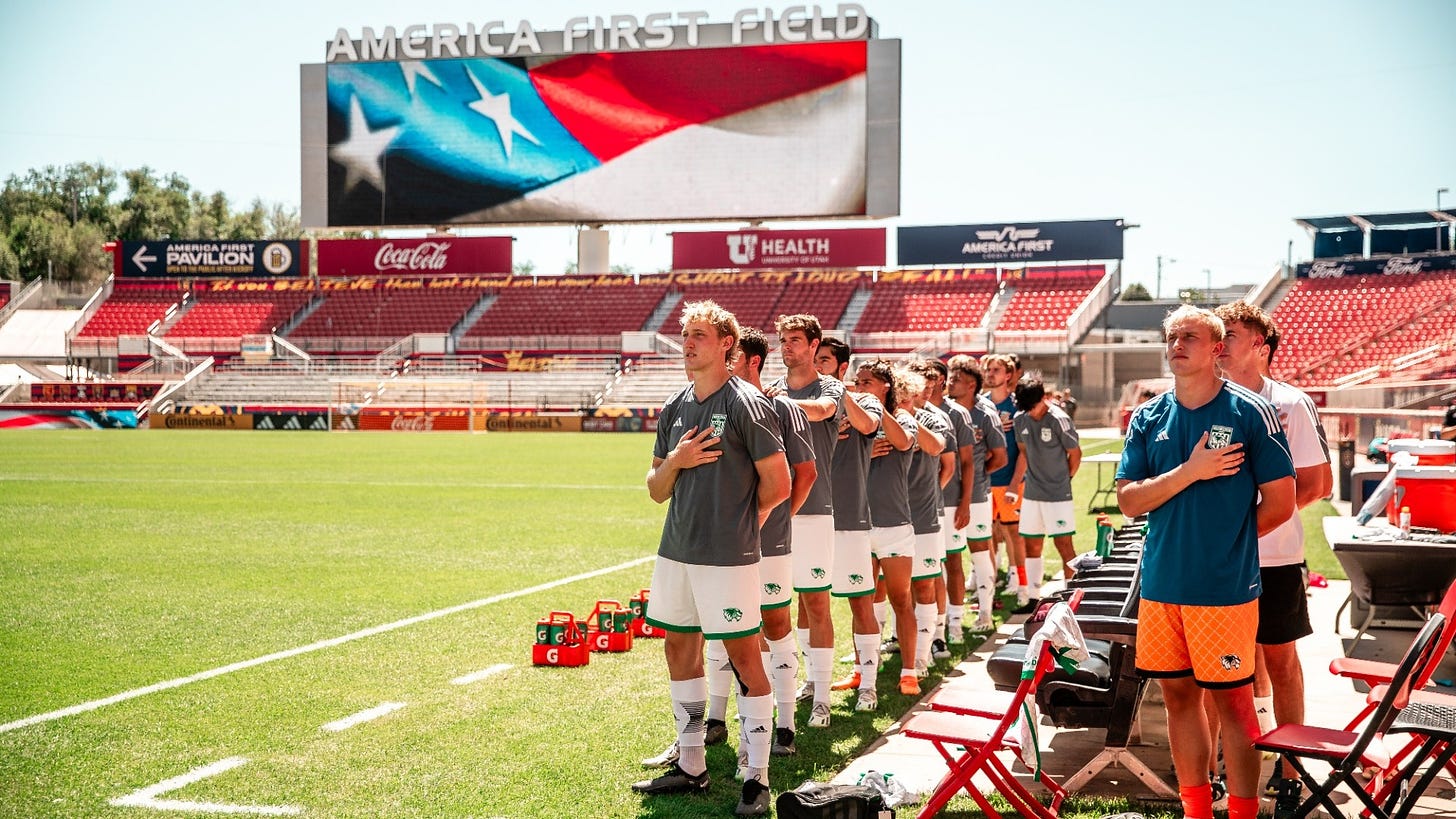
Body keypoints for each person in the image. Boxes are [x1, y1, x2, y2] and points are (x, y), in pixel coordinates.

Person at [1116, 304, 1296, 819]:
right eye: (1171, 335)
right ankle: (1196, 810)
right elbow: (1130, 502)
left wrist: (1227, 546)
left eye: (1189, 335)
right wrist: (1191, 471)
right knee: (1177, 698)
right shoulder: (1150, 416)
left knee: (1233, 705)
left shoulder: (1248, 412)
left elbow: (1281, 503)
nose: (1177, 343)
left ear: (1217, 348)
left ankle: (1242, 812)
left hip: (1223, 590)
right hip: (1161, 585)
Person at [634, 301, 791, 817]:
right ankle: (693, 764)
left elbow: (780, 483)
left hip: (728, 556)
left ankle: (757, 777)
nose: (688, 342)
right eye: (685, 334)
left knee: (746, 656)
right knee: (679, 648)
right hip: (676, 549)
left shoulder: (748, 403)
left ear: (727, 344)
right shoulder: (673, 407)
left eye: (699, 333)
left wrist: (743, 524)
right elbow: (656, 490)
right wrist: (677, 460)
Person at [1213, 301, 1331, 793]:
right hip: (1217, 560)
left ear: (1261, 346)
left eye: (1232, 335)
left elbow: (1318, 483)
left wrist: (1255, 526)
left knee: (1280, 661)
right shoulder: (1205, 400)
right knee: (1221, 667)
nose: (1221, 343)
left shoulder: (1290, 403)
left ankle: (1290, 771)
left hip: (1274, 558)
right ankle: (1220, 767)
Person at [695, 327, 816, 769]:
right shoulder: (718, 402)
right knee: (719, 625)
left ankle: (785, 723)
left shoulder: (780, 407)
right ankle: (716, 718)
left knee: (775, 623)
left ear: (752, 361)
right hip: (721, 543)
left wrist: (772, 518)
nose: (726, 367)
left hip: (770, 541)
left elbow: (804, 474)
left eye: (735, 358)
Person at [763, 314, 841, 729]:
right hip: (774, 508)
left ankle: (822, 696)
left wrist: (780, 403)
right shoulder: (771, 389)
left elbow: (823, 409)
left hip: (814, 510)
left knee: (815, 603)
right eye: (783, 340)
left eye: (795, 340)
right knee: (772, 605)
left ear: (815, 346)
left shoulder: (829, 386)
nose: (787, 346)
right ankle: (781, 693)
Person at [813, 338, 886, 713]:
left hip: (852, 521)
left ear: (842, 368)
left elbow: (868, 422)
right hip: (809, 517)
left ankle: (868, 685)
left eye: (824, 360)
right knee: (810, 606)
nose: (817, 364)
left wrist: (841, 396)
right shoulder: (803, 401)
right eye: (815, 359)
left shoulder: (864, 399)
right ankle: (814, 681)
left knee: (862, 603)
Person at [855, 360, 921, 699]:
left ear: (885, 386)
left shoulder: (904, 417)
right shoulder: (853, 421)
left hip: (894, 523)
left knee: (900, 599)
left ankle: (909, 671)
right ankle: (861, 669)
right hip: (858, 524)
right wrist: (864, 453)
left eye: (868, 381)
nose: (861, 385)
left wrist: (880, 411)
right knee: (862, 602)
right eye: (858, 381)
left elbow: (904, 441)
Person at [1006, 374, 1082, 610]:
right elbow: (1024, 455)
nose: (1030, 411)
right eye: (1025, 407)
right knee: (1032, 544)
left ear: (1043, 398)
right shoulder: (1021, 419)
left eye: (1033, 406)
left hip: (1058, 495)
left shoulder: (1059, 419)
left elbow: (1075, 455)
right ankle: (1031, 597)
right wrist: (1014, 484)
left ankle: (1072, 598)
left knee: (1064, 544)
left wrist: (1063, 480)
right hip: (1032, 493)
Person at [945, 355, 1008, 632]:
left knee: (981, 552)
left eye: (956, 379)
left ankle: (984, 613)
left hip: (978, 496)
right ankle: (951, 616)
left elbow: (1000, 457)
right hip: (948, 496)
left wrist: (979, 475)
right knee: (950, 557)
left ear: (971, 385)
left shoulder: (985, 413)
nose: (950, 383)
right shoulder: (945, 410)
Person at [903, 364, 954, 671]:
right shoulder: (882, 418)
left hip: (924, 515)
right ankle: (904, 642)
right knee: (895, 587)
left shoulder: (933, 418)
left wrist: (932, 495)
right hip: (888, 516)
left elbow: (943, 460)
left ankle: (931, 644)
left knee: (926, 581)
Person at [981, 353, 1027, 606]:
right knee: (987, 534)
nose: (990, 373)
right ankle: (988, 580)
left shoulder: (1016, 406)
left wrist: (1015, 483)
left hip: (1010, 480)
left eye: (996, 369)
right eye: (988, 369)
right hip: (985, 481)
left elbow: (1024, 451)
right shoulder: (981, 404)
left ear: (1008, 375)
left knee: (1013, 533)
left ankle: (1017, 580)